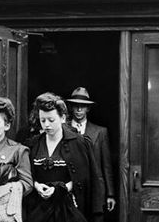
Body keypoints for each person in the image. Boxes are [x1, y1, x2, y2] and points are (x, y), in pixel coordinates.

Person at [24, 92, 105, 222]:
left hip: (69, 210)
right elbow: (26, 174)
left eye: (51, 120)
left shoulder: (79, 143)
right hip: (39, 209)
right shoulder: (33, 144)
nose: (46, 125)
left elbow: (84, 178)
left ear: (62, 118)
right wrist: (37, 185)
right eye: (42, 120)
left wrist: (61, 189)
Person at [67, 87, 116, 222]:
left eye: (82, 106)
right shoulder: (63, 129)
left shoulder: (100, 132)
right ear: (71, 107)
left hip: (95, 191)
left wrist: (110, 194)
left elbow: (106, 166)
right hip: (71, 189)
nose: (79, 110)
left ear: (88, 108)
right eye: (76, 106)